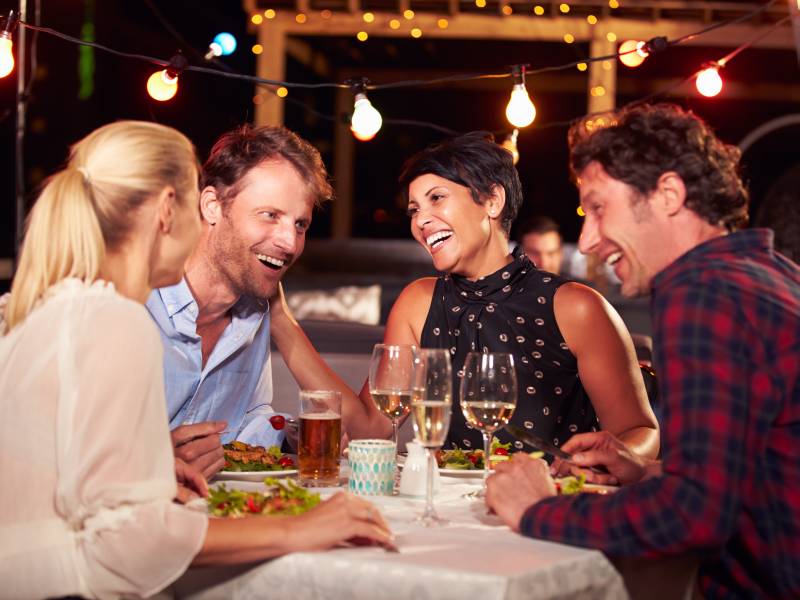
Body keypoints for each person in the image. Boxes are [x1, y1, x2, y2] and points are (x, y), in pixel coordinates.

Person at [0, 121, 393, 599]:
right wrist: (300, 528)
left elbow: (61, 472)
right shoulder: (118, 320)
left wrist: (150, 466)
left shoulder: (58, 305)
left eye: (299, 224)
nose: (288, 242)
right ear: (175, 209)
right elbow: (127, 543)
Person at [485, 104, 800, 599]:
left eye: (598, 208)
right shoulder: (770, 273)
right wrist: (649, 471)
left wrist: (536, 511)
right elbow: (760, 467)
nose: (586, 241)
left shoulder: (701, 292)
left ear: (668, 195)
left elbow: (692, 517)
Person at [364, 132, 658, 459]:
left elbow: (640, 433)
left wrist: (596, 463)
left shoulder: (575, 306)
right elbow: (367, 429)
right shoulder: (417, 303)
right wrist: (292, 330)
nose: (420, 220)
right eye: (414, 209)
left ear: (492, 200)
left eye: (437, 198)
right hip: (444, 506)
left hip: (549, 502)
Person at [147, 125, 389, 478]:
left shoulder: (255, 310)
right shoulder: (135, 300)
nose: (290, 243)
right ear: (212, 206)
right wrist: (147, 461)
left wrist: (292, 439)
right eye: (270, 215)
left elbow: (248, 423)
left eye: (301, 224)